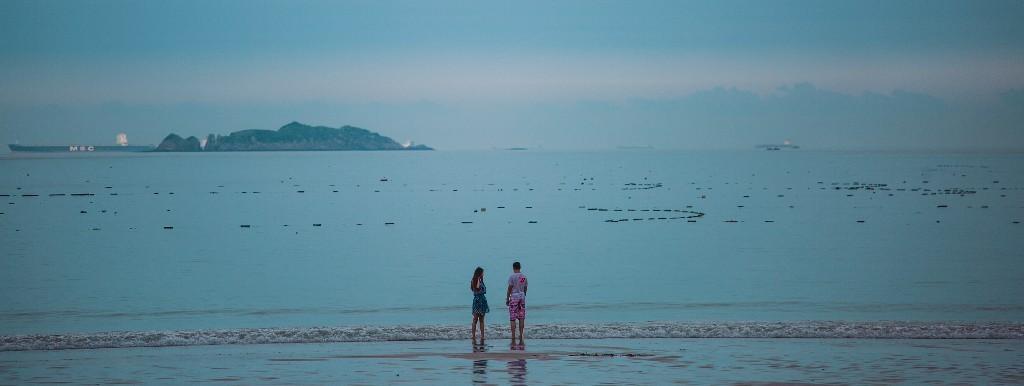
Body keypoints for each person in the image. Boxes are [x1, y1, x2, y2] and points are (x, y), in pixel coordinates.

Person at [505, 261, 528, 346]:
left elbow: (509, 288)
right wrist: (524, 294)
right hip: (521, 296)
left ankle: (513, 335)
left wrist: (507, 298)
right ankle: (521, 335)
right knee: (521, 317)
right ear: (520, 267)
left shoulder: (512, 277)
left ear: (513, 267)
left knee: (513, 317)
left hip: (514, 296)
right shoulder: (524, 277)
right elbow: (525, 288)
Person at [470, 267, 489, 345]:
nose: (483, 274)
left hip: (480, 300)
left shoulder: (478, 280)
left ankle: (480, 336)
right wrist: (478, 279)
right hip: (479, 300)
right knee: (477, 319)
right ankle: (476, 335)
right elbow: (477, 288)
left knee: (479, 319)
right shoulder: (477, 279)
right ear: (480, 273)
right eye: (483, 273)